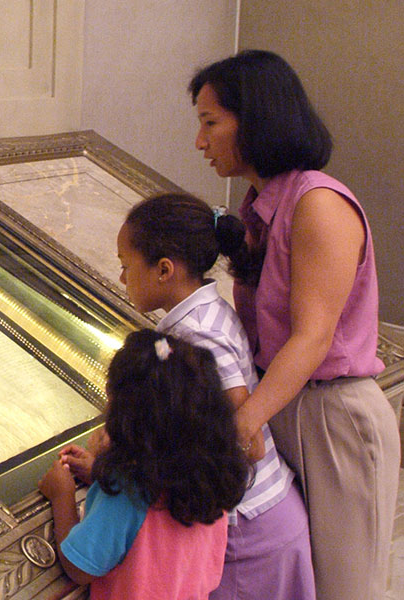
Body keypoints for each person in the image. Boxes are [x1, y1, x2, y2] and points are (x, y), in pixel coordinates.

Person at [189, 49, 400, 600]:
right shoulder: (260, 207)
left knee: (347, 588)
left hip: (333, 418)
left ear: (254, 117)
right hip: (285, 407)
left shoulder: (318, 203)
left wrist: (244, 421)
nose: (200, 142)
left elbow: (313, 336)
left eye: (211, 123)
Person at [63, 193, 315, 599]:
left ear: (164, 270)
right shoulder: (205, 312)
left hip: (249, 534)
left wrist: (124, 459)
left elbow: (242, 443)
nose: (123, 279)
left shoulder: (196, 337)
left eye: (127, 267)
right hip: (267, 517)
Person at [39, 329, 249, 599]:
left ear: (130, 420)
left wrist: (62, 495)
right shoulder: (210, 480)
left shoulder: (128, 492)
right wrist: (100, 472)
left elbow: (80, 568)